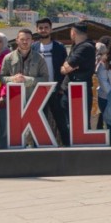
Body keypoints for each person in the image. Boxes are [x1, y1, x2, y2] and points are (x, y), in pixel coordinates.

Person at [0, 30, 48, 147]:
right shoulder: (8, 58)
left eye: (28, 39)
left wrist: (27, 80)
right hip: (13, 100)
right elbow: (1, 78)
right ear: (17, 40)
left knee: (32, 133)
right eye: (22, 39)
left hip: (33, 100)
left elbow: (45, 79)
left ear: (32, 41)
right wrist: (13, 79)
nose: (25, 42)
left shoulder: (39, 58)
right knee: (14, 131)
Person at [35, 17, 70, 145]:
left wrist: (62, 87)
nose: (43, 30)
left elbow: (66, 68)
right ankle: (37, 147)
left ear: (51, 29)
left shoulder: (59, 47)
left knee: (61, 121)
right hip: (38, 91)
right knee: (38, 121)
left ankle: (67, 146)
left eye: (46, 27)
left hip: (56, 90)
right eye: (41, 28)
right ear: (37, 29)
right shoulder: (33, 47)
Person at [60, 23, 97, 124]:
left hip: (79, 91)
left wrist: (68, 67)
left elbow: (65, 68)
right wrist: (70, 67)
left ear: (73, 33)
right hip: (71, 89)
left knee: (81, 124)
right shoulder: (76, 47)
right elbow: (66, 67)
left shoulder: (85, 47)